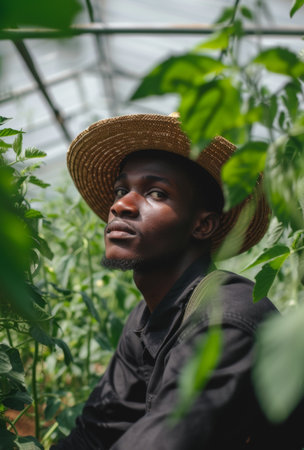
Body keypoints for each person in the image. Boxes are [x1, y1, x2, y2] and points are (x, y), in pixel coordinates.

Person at [52, 114, 303, 449]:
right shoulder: (147, 318)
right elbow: (97, 430)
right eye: (121, 190)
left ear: (202, 226)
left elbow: (166, 440)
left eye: (156, 193)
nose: (121, 206)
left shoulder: (226, 321)